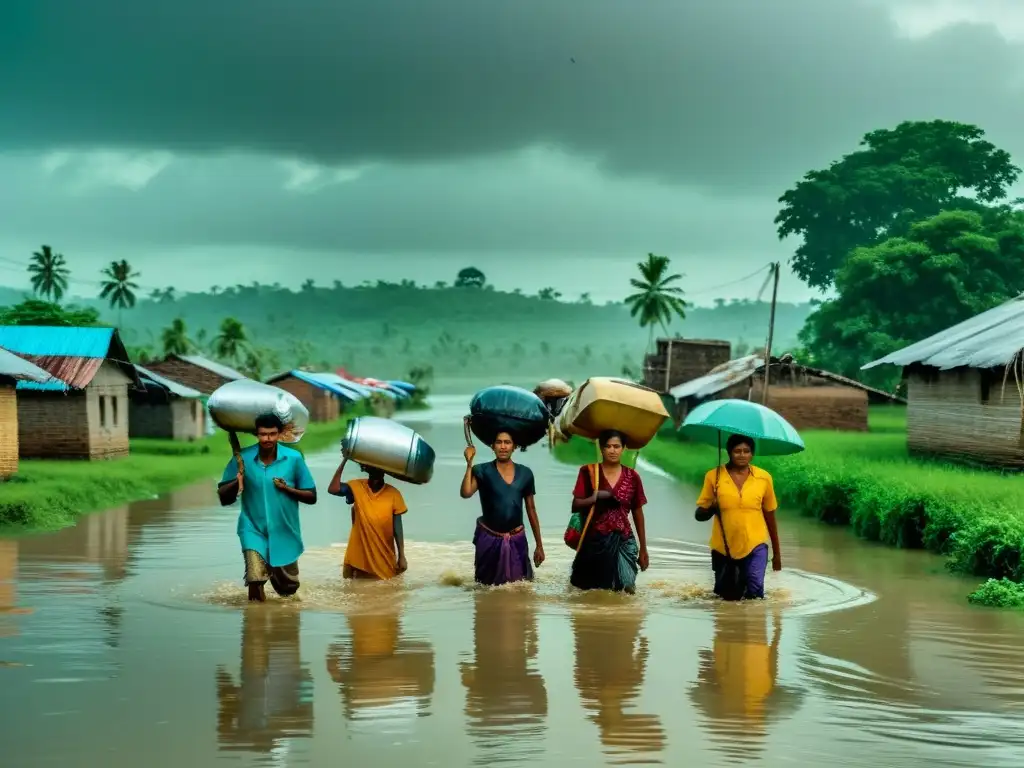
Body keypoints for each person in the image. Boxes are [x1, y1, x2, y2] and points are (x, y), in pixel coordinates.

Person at [218, 413, 317, 602]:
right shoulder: (242, 459)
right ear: (256, 434)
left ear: (279, 434)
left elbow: (311, 496)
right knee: (255, 578)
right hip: (252, 528)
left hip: (285, 530)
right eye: (263, 434)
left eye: (272, 434)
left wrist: (286, 488)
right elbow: (224, 497)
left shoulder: (293, 459)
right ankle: (256, 625)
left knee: (287, 591)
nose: (267, 439)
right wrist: (236, 480)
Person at [694, 434, 782, 600]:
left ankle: (755, 625)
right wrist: (712, 506)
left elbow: (770, 516)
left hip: (756, 543)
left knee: (754, 591)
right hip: (723, 547)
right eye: (737, 451)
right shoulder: (714, 477)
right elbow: (699, 515)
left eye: (746, 451)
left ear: (752, 454)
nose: (742, 455)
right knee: (727, 598)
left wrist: (777, 554)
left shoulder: (763, 478)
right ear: (729, 453)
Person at [460, 430, 545, 585]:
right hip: (489, 539)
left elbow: (531, 509)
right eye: (499, 442)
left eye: (507, 442)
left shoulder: (525, 473)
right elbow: (466, 493)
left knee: (521, 587)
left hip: (516, 539)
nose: (503, 447)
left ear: (515, 447)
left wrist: (539, 545)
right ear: (492, 446)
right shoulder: (481, 470)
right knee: (485, 586)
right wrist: (469, 464)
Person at [569, 429, 649, 593]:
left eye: (616, 446)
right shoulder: (589, 472)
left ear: (623, 448)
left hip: (623, 540)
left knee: (626, 589)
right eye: (608, 446)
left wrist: (643, 549)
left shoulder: (633, 477)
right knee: (589, 590)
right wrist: (595, 497)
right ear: (601, 448)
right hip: (594, 539)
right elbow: (575, 505)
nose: (612, 450)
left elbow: (638, 513)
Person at [328, 461, 408, 580]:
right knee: (356, 592)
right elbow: (333, 489)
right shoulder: (356, 487)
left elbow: (397, 528)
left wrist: (402, 556)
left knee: (386, 591)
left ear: (385, 472)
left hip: (383, 557)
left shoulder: (394, 494)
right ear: (366, 469)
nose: (376, 473)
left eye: (379, 470)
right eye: (372, 469)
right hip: (358, 558)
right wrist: (344, 460)